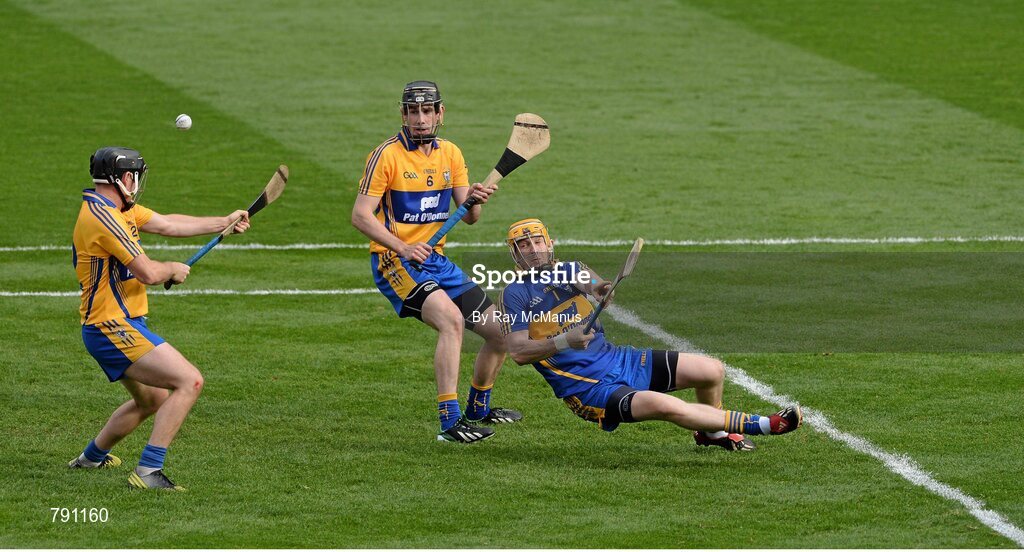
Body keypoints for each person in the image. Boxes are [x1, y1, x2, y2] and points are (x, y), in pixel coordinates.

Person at [497, 218, 802, 450]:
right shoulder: (514, 295)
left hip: (619, 359)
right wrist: (566, 340)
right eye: (524, 245)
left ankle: (711, 433)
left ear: (550, 243)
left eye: (537, 241)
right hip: (589, 390)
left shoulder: (569, 269)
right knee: (665, 405)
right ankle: (766, 424)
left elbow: (595, 285)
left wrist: (604, 289)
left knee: (711, 370)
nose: (533, 250)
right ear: (514, 254)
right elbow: (519, 352)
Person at [69, 146, 251, 489]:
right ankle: (148, 473)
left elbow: (168, 224)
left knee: (152, 399)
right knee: (189, 381)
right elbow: (149, 273)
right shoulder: (103, 219)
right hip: (112, 327)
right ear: (123, 179)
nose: (136, 183)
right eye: (134, 177)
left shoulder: (113, 209)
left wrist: (222, 222)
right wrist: (172, 269)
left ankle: (91, 458)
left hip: (117, 325)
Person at [351, 81, 522, 443]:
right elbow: (361, 216)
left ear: (440, 114)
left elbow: (470, 216)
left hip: (436, 261)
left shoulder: (451, 154)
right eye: (413, 111)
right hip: (394, 262)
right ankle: (450, 422)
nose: (420, 119)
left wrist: (476, 198)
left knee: (500, 332)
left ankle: (479, 407)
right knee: (451, 320)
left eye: (427, 111)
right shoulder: (386, 156)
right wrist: (403, 247)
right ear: (403, 114)